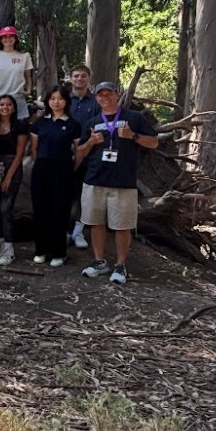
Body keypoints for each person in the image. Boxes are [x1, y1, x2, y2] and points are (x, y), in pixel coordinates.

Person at [75, 81, 158, 284]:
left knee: (122, 226)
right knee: (96, 223)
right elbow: (80, 152)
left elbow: (154, 142)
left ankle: (120, 266)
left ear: (117, 94)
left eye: (109, 94)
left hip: (123, 182)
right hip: (95, 180)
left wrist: (133, 136)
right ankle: (99, 262)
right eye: (101, 95)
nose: (105, 98)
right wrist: (90, 143)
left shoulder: (133, 118)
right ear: (96, 98)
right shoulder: (92, 122)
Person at [31, 86, 82, 267]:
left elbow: (78, 151)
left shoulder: (73, 125)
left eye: (60, 98)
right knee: (40, 209)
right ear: (47, 101)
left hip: (63, 170)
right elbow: (34, 149)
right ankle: (41, 250)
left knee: (60, 211)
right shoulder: (39, 123)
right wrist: (43, 164)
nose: (56, 102)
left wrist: (68, 168)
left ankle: (58, 253)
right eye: (52, 98)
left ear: (66, 101)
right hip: (41, 169)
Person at [0, 94, 29, 265]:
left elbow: (20, 154)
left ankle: (9, 248)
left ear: (14, 108)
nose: (5, 107)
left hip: (13, 167)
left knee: (6, 208)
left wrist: (8, 178)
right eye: (2, 104)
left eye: (9, 104)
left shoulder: (20, 126)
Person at [67, 64, 96, 249]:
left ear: (88, 79)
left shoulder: (95, 102)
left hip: (89, 155)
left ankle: (78, 231)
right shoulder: (62, 98)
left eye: (83, 76)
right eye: (76, 76)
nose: (79, 79)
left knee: (84, 195)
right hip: (64, 154)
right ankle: (64, 231)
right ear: (70, 78)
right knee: (64, 193)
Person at [0, 26, 33, 120]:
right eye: (5, 37)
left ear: (15, 38)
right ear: (0, 39)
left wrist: (28, 90)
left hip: (17, 95)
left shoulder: (24, 56)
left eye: (11, 36)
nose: (8, 39)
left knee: (20, 126)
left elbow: (28, 76)